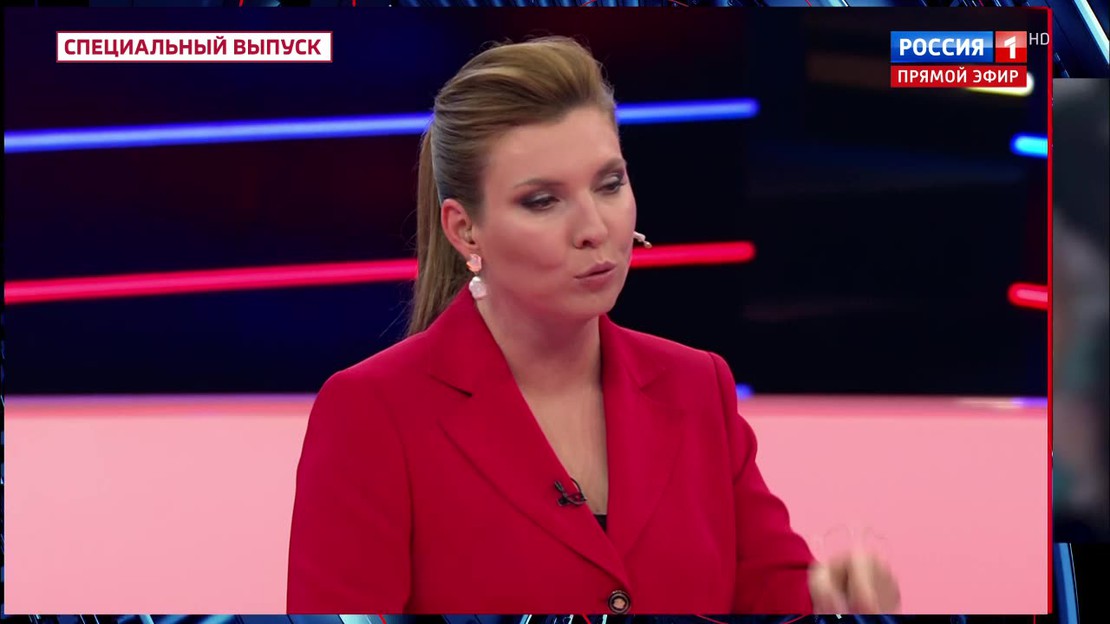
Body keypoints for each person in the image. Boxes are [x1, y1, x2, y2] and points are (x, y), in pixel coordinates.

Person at [287, 36, 899, 615]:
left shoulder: (699, 387)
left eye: (610, 185)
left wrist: (829, 597)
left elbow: (771, 594)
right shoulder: (372, 412)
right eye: (543, 201)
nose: (594, 228)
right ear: (465, 230)